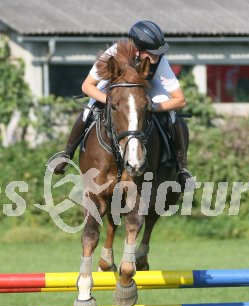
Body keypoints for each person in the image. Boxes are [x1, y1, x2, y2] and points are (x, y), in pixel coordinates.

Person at [47, 20, 194, 188]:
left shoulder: (159, 61)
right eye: (152, 53)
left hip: (145, 88)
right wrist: (111, 103)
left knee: (171, 114)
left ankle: (182, 167)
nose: (156, 57)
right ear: (137, 50)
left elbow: (180, 99)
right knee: (89, 111)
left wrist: (152, 107)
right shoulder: (113, 53)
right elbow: (87, 86)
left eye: (158, 52)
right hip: (115, 88)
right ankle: (66, 154)